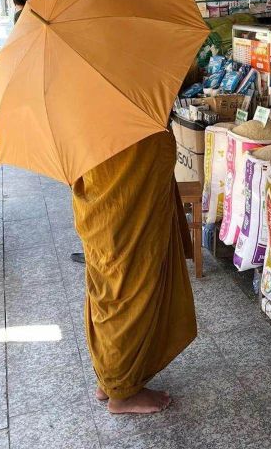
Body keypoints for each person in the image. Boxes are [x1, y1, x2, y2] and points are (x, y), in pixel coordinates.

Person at [71, 130, 197, 414]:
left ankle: (111, 378)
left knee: (109, 288)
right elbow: (150, 151)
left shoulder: (82, 104)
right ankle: (122, 394)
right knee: (131, 288)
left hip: (101, 202)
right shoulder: (129, 106)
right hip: (127, 207)